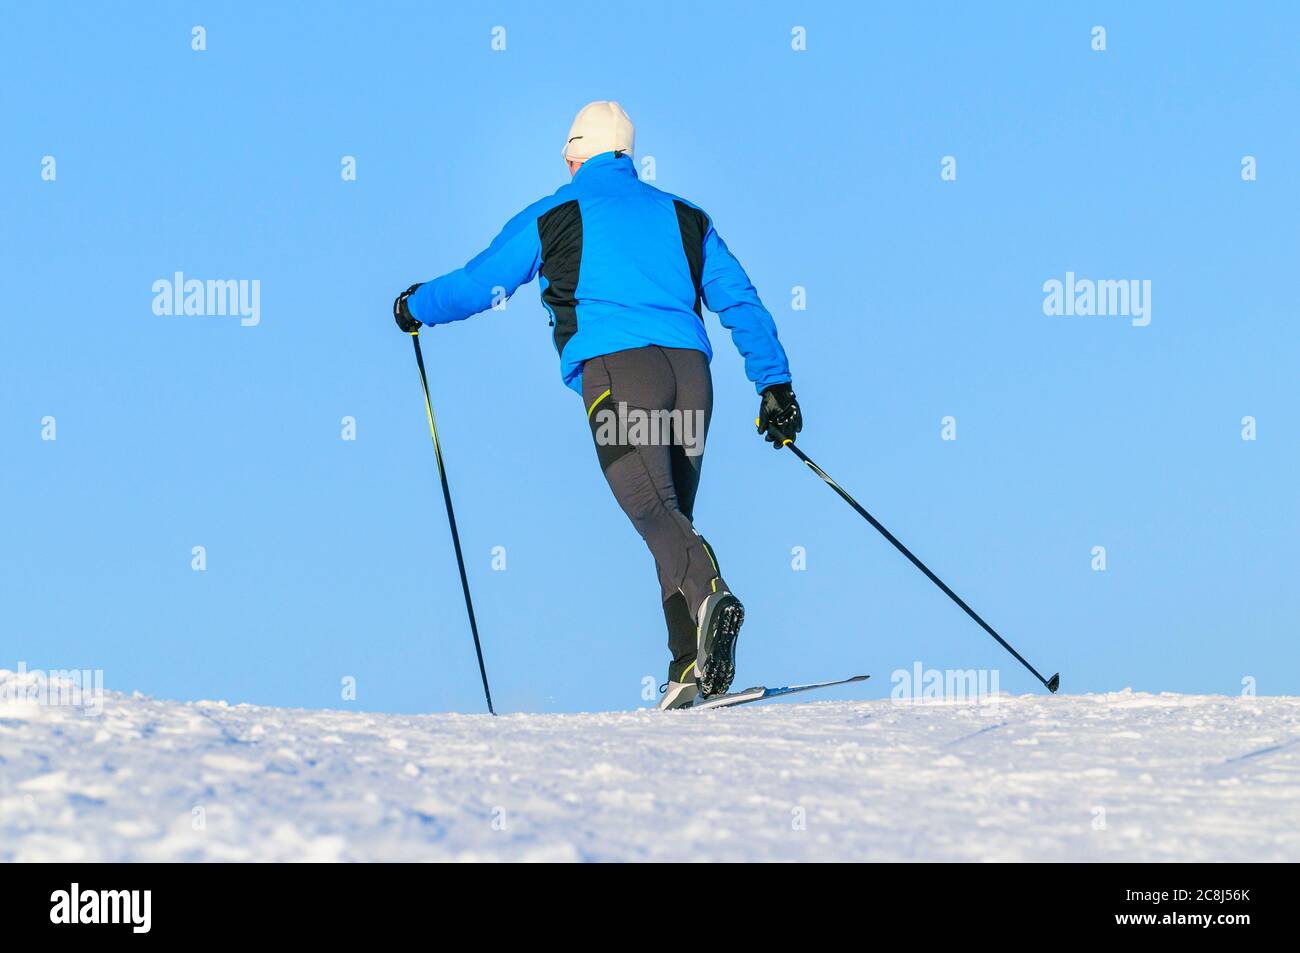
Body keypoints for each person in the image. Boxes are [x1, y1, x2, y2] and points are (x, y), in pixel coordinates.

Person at [394, 101, 802, 709]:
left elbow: (483, 282)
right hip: (692, 378)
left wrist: (413, 305)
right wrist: (775, 386)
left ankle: (715, 593)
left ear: (575, 154)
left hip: (619, 371)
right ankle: (688, 666)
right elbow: (739, 300)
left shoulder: (557, 213)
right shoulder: (685, 216)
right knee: (672, 522)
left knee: (650, 512)